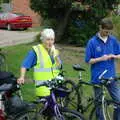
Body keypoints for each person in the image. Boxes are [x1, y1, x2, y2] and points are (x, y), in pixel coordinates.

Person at [85, 19, 120, 120]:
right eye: (106, 31)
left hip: (111, 77)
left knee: (118, 101)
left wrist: (114, 56)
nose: (107, 34)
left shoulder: (113, 40)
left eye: (109, 32)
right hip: (98, 77)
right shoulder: (92, 42)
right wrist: (100, 58)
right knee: (99, 104)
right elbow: (88, 60)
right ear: (100, 27)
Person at [17, 28, 61, 97]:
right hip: (43, 88)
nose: (50, 42)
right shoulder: (36, 51)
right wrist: (22, 77)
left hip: (56, 85)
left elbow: (59, 67)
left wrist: (56, 57)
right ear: (43, 40)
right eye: (48, 39)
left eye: (52, 40)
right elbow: (25, 65)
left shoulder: (54, 51)